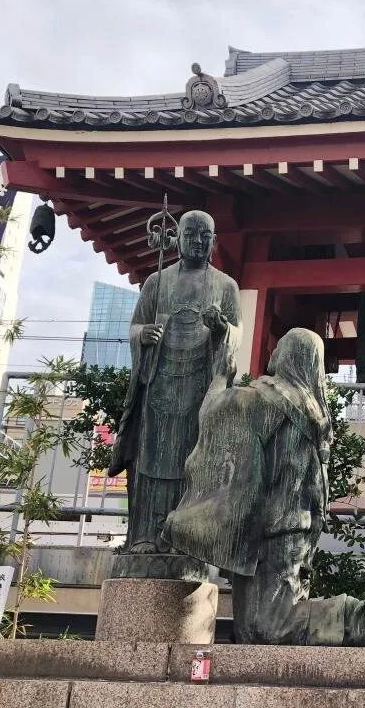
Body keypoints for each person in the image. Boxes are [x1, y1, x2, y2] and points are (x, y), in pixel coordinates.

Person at [162, 328, 365, 645]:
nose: (271, 354)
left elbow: (218, 410)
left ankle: (344, 615)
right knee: (256, 629)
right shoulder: (316, 409)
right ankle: (339, 620)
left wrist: (220, 378)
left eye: (278, 348)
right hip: (300, 529)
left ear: (287, 356)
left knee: (265, 627)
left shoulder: (271, 399)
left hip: (271, 529)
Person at [108, 209, 241, 556]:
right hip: (160, 384)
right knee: (150, 460)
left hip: (199, 385)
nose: (198, 241)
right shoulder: (157, 282)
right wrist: (144, 336)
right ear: (177, 238)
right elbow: (136, 326)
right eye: (191, 234)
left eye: (205, 236)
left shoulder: (226, 285)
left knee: (192, 461)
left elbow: (236, 334)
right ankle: (145, 533)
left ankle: (184, 535)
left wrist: (222, 328)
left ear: (214, 242)